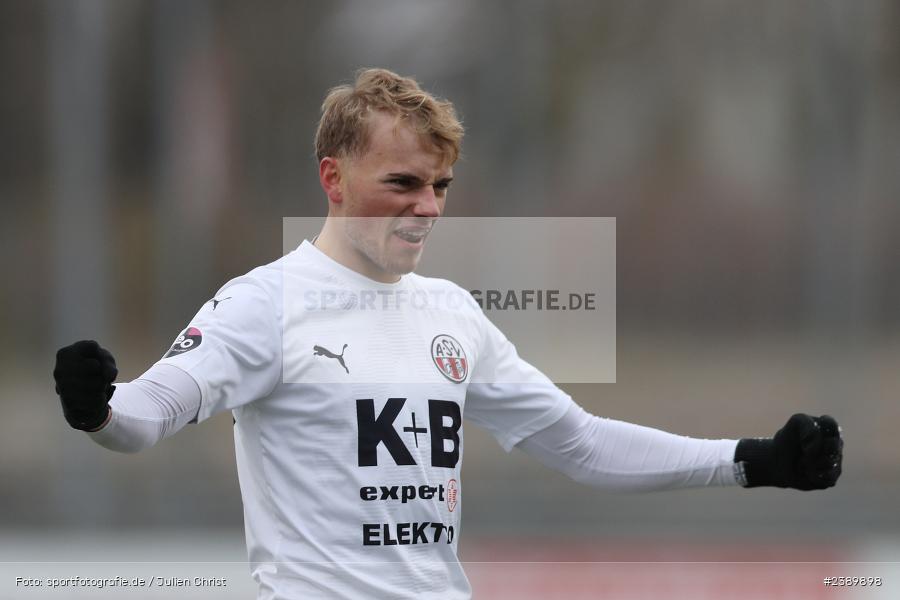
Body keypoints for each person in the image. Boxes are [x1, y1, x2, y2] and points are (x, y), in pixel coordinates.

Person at [53, 68, 843, 600]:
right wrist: (98, 408)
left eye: (438, 186)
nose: (427, 207)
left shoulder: (452, 314)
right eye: (401, 183)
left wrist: (754, 462)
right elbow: (147, 415)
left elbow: (580, 443)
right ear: (333, 179)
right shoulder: (265, 303)